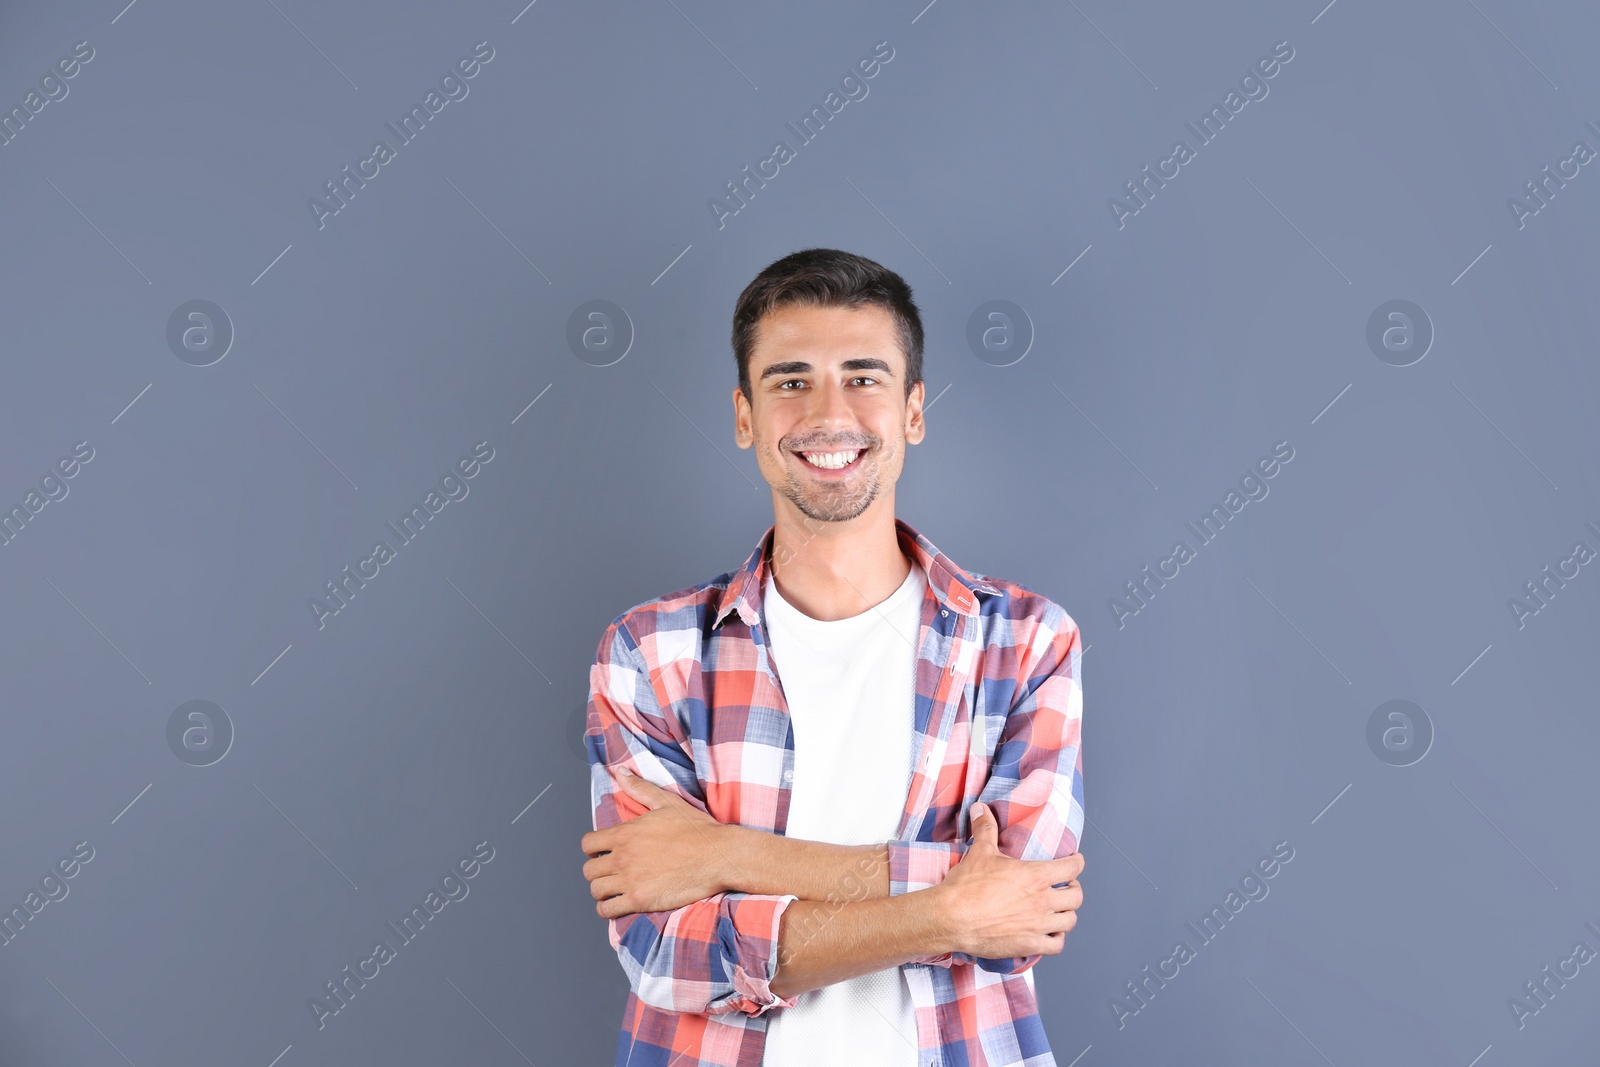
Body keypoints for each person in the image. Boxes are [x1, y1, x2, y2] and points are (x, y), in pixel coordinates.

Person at [579, 247, 1085, 1066]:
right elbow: (667, 952)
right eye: (790, 380)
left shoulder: (1025, 640)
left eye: (863, 375)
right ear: (745, 416)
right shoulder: (651, 651)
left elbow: (1020, 917)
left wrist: (728, 854)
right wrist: (948, 906)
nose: (828, 412)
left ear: (913, 411)